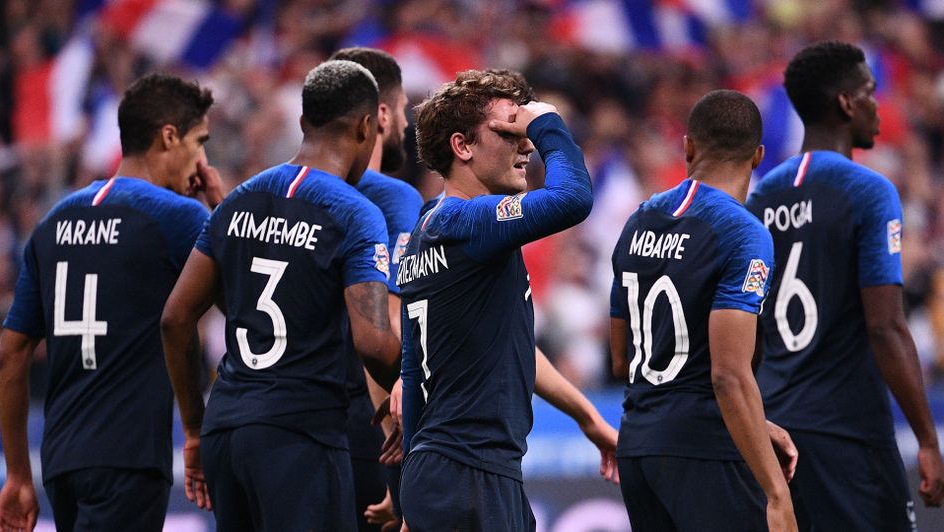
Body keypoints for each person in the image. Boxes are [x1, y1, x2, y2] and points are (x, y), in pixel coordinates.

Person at [160, 59, 401, 531]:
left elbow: (175, 317)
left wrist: (193, 426)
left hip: (226, 431)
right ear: (366, 126)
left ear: (303, 122)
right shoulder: (355, 213)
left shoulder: (238, 201)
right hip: (299, 434)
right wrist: (413, 385)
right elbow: (373, 342)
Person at [0, 73, 220, 532]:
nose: (202, 161)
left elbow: (10, 353)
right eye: (199, 142)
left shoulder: (52, 221)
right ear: (169, 137)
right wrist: (219, 206)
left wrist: (18, 474)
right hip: (129, 458)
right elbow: (251, 293)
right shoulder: (179, 217)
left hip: (61, 461)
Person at [746, 40, 944, 530]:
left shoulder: (760, 199)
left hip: (774, 434)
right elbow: (885, 327)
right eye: (870, 92)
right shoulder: (868, 191)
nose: (879, 105)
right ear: (845, 102)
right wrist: (927, 439)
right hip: (847, 434)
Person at [397, 69, 594, 531]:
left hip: (451, 469)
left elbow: (413, 368)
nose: (526, 145)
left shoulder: (429, 226)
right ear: (462, 146)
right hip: (470, 474)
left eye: (525, 130)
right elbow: (573, 197)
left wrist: (410, 480)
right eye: (510, 131)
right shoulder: (469, 224)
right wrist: (547, 123)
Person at [610, 90, 797, 531]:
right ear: (757, 156)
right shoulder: (744, 233)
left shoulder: (638, 220)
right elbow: (728, 375)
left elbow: (621, 360)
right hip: (704, 450)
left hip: (637, 449)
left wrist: (754, 424)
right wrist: (777, 492)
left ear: (688, 147)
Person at [327, 46, 423, 532]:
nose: (406, 124)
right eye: (403, 108)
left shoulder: (284, 193)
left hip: (291, 427)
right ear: (381, 114)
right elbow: (383, 324)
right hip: (367, 428)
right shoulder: (392, 197)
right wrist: (396, 450)